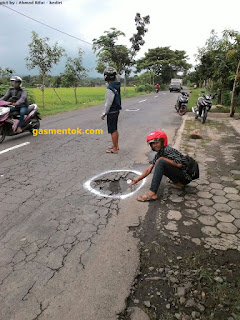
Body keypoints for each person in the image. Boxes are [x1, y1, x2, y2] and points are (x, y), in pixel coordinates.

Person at [131, 130, 193, 202]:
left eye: (157, 142)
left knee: (160, 162)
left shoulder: (168, 150)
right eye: (152, 143)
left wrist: (162, 159)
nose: (154, 145)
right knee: (160, 163)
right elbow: (149, 169)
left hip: (185, 177)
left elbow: (180, 164)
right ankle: (178, 183)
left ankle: (152, 193)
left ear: (163, 141)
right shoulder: (159, 153)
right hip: (180, 175)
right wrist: (137, 180)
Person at [101, 67, 121, 154]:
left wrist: (104, 113)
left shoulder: (110, 88)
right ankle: (116, 145)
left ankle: (115, 149)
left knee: (112, 130)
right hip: (116, 110)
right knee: (115, 129)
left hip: (112, 111)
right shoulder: (116, 85)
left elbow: (108, 103)